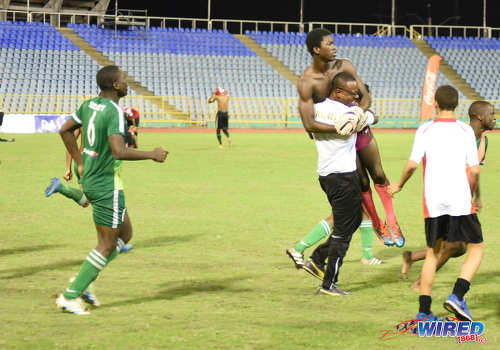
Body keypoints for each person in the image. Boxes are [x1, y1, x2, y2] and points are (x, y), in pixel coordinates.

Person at [55, 65, 168, 315]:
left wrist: (80, 161)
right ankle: (70, 295)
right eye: (124, 79)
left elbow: (65, 130)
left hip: (94, 180)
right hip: (106, 185)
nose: (127, 83)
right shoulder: (115, 112)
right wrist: (152, 154)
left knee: (125, 235)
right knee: (106, 244)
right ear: (116, 85)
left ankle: (86, 280)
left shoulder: (89, 104)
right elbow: (119, 151)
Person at [388, 85, 483, 322]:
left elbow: (412, 164)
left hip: (433, 202)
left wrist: (399, 185)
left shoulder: (425, 130)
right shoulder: (465, 131)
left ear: (436, 104)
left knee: (433, 253)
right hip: (460, 201)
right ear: (457, 105)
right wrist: (473, 196)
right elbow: (474, 170)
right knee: (476, 248)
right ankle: (458, 295)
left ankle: (424, 312)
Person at [401, 100, 495, 290]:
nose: (495, 118)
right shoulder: (460, 134)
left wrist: (477, 197)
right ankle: (420, 284)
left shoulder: (483, 141)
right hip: (444, 197)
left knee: (455, 247)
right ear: (480, 117)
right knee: (455, 247)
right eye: (492, 114)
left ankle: (412, 259)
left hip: (460, 200)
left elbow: (474, 171)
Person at [306, 72, 375, 296]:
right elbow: (371, 118)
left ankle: (317, 258)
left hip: (327, 175)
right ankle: (328, 284)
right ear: (337, 92)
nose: (355, 97)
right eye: (351, 93)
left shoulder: (318, 109)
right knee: (343, 232)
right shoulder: (347, 113)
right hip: (343, 177)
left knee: (353, 221)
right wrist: (367, 114)